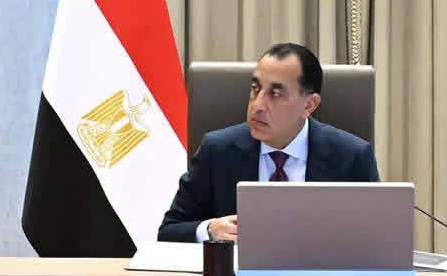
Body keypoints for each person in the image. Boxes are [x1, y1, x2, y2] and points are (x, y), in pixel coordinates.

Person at [158, 42, 380, 242]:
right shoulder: (217, 151)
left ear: (309, 105)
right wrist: (209, 229)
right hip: (238, 274)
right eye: (255, 89)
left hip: (320, 274)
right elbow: (169, 231)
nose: (258, 106)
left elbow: (376, 238)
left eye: (275, 94)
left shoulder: (352, 157)